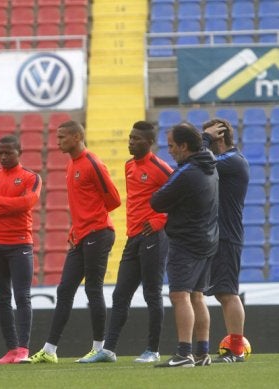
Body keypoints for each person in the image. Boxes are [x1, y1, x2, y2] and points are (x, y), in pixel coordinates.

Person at [24, 120, 121, 364]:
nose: (58, 142)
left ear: (77, 136)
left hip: (98, 233)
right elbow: (82, 203)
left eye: (62, 137)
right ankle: (50, 350)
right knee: (65, 289)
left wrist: (91, 222)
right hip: (81, 235)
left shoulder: (92, 163)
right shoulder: (72, 165)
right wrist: (77, 227)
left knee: (93, 288)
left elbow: (114, 200)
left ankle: (100, 348)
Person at [81, 121, 173, 364]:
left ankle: (153, 350)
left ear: (149, 142)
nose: (130, 142)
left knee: (152, 294)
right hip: (133, 238)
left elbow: (181, 196)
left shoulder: (160, 168)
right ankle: (108, 350)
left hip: (154, 237)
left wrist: (159, 220)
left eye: (136, 139)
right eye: (130, 137)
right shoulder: (129, 166)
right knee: (120, 295)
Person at [151, 122, 219, 368]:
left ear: (183, 146)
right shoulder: (208, 162)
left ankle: (184, 353)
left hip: (186, 240)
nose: (169, 151)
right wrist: (205, 138)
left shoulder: (187, 170)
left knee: (180, 295)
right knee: (198, 296)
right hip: (208, 239)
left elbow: (157, 201)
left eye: (171, 146)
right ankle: (202, 353)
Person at [0, 135, 42, 364]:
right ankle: (11, 349)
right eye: (0, 153)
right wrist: (10, 204)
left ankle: (23, 349)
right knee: (2, 299)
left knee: (22, 296)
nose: (3, 156)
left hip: (20, 243)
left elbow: (27, 203)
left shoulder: (31, 177)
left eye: (8, 153)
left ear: (19, 152)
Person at [202, 118, 249, 363]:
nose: (205, 140)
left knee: (228, 293)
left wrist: (204, 139)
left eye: (209, 136)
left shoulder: (232, 161)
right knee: (221, 293)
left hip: (227, 236)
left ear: (219, 136)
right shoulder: (225, 161)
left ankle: (236, 350)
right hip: (215, 236)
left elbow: (197, 161)